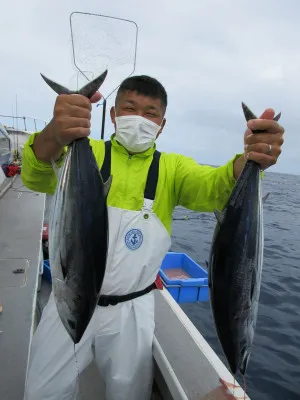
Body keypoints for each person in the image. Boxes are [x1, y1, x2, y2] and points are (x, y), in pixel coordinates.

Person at [21, 75, 284, 400]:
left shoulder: (173, 169)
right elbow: (34, 173)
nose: (140, 119)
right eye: (130, 108)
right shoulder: (88, 152)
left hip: (132, 311)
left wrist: (252, 158)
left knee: (129, 394)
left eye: (151, 113)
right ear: (114, 115)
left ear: (162, 124)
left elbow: (216, 187)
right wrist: (55, 133)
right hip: (69, 297)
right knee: (41, 393)